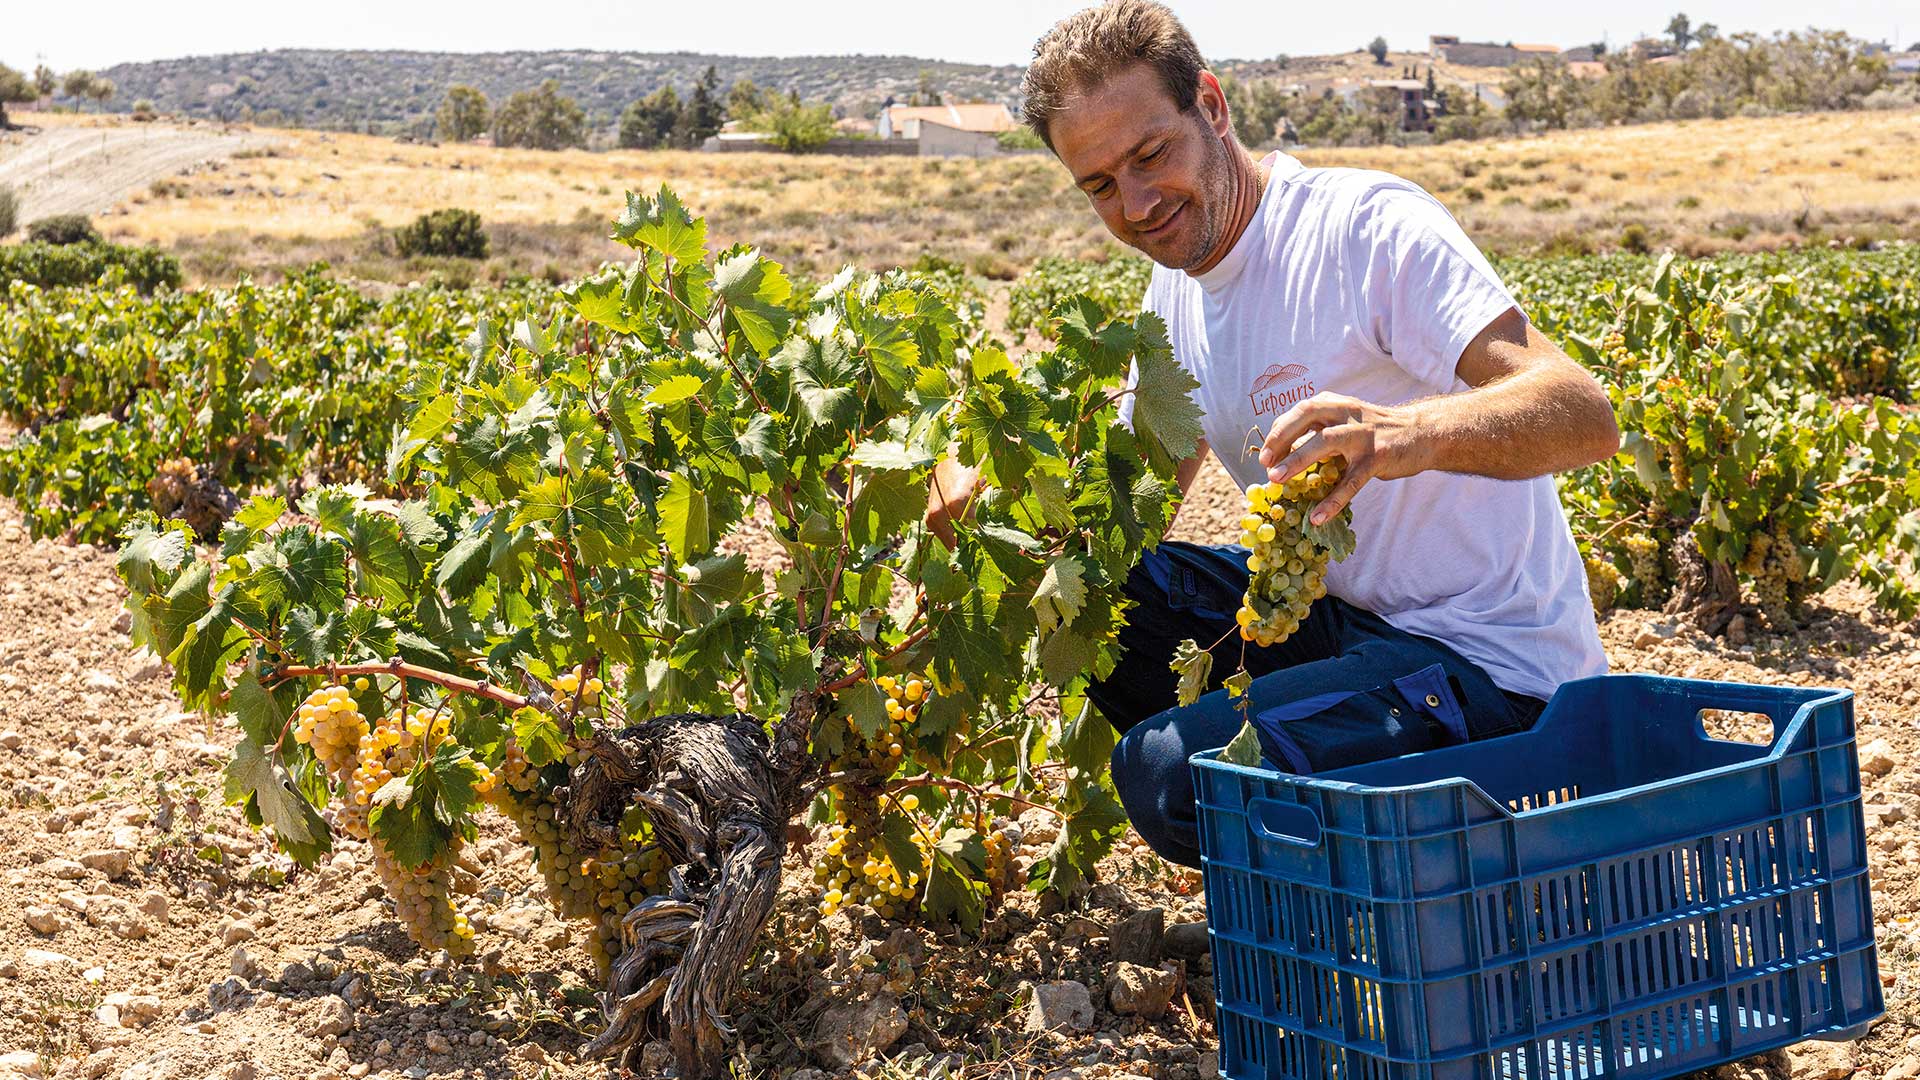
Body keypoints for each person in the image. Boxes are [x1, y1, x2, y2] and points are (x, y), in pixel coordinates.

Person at [928, 0, 1618, 869]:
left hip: (1491, 673)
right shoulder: (1175, 292)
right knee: (1078, 585)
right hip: (1337, 625)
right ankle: (1322, 866)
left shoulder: (1361, 228)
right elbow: (1129, 512)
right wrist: (1002, 506)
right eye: (1099, 185)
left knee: (1170, 775)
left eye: (1151, 155)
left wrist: (1408, 432)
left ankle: (1385, 894)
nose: (1137, 205)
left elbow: (1583, 413)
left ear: (1211, 106)